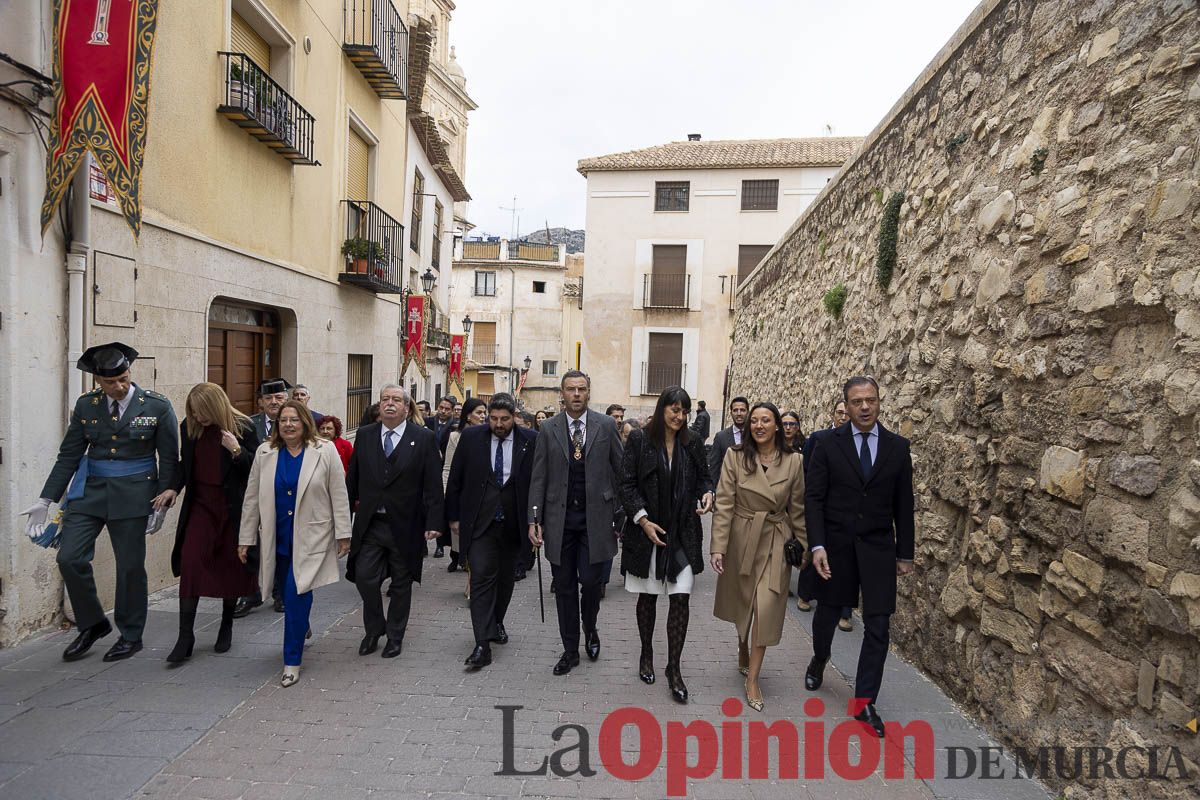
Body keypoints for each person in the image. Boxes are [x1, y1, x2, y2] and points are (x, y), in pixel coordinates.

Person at [21, 342, 179, 662]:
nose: (119, 386)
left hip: (136, 494)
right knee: (69, 557)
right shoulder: (87, 406)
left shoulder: (157, 406)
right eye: (111, 382)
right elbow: (69, 455)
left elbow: (170, 457)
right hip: (89, 492)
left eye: (123, 377)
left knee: (130, 567)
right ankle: (93, 624)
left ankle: (131, 634)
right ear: (97, 381)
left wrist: (165, 498)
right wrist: (46, 498)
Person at [805, 376, 915, 737]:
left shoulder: (898, 448)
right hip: (836, 548)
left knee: (879, 625)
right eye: (857, 402)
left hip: (879, 549)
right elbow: (815, 500)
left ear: (880, 402)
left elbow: (904, 504)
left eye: (871, 400)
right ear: (846, 406)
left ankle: (864, 701)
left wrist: (905, 553)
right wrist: (817, 546)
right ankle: (820, 657)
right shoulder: (825, 443)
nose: (865, 407)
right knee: (828, 614)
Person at [238, 401, 350, 687]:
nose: (288, 425)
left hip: (312, 537)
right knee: (291, 594)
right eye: (283, 420)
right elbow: (251, 498)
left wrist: (344, 533)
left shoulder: (324, 451)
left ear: (305, 423)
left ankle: (292, 661)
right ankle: (302, 627)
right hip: (277, 537)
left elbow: (339, 493)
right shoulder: (266, 453)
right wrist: (246, 538)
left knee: (296, 593)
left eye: (294, 420)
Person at [710, 401, 806, 713]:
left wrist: (802, 546)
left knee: (765, 606)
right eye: (754, 421)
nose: (759, 425)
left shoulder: (794, 462)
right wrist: (718, 547)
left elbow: (798, 509)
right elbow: (724, 503)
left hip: (776, 538)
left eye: (766, 420)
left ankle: (753, 678)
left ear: (778, 425)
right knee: (744, 604)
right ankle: (742, 643)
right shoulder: (735, 457)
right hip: (742, 536)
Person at [619, 387, 713, 703]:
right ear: (662, 409)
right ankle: (647, 652)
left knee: (681, 599)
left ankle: (674, 668)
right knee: (647, 597)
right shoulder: (640, 440)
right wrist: (643, 521)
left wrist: (706, 496)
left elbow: (704, 478)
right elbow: (627, 484)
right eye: (674, 409)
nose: (679, 416)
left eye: (684, 411)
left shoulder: (693, 442)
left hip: (682, 532)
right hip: (647, 533)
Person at [528, 370, 624, 676]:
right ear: (562, 394)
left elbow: (621, 473)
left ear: (589, 392)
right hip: (560, 522)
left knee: (592, 583)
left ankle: (590, 627)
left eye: (582, 389)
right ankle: (570, 649)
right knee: (565, 587)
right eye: (571, 389)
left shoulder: (606, 426)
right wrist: (535, 518)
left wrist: (621, 514)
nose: (577, 394)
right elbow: (538, 477)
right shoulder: (549, 429)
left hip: (596, 520)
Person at [346, 384, 444, 659]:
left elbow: (433, 484)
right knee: (364, 577)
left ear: (406, 407)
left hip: (406, 523)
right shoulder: (365, 435)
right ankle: (375, 627)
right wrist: (343, 518)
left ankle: (395, 635)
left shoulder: (423, 438)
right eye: (384, 399)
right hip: (371, 524)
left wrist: (434, 521)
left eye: (396, 400)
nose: (389, 403)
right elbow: (352, 478)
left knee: (401, 582)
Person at [166, 383, 260, 664]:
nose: (198, 418)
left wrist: (236, 451)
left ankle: (226, 624)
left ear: (216, 407)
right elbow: (186, 464)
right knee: (191, 562)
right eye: (193, 412)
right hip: (200, 506)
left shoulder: (244, 427)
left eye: (202, 412)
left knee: (230, 566)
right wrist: (172, 487)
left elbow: (257, 469)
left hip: (231, 508)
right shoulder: (189, 427)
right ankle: (185, 636)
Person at [446, 394, 537, 669]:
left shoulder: (530, 441)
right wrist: (452, 517)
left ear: (514, 417)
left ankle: (496, 621)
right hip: (479, 523)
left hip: (513, 524)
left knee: (506, 580)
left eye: (504, 419)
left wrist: (537, 519)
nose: (498, 424)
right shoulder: (472, 438)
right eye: (493, 419)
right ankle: (482, 643)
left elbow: (538, 483)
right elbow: (456, 478)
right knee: (482, 577)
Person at [235, 378, 293, 617]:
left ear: (286, 399)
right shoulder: (248, 425)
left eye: (279, 397)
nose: (274, 402)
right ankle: (251, 594)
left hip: (284, 495)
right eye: (268, 398)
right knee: (251, 546)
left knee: (280, 545)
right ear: (260, 402)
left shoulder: (295, 423)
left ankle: (280, 593)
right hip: (253, 493)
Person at [798, 398, 853, 627]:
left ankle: (845, 611)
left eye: (845, 413)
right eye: (839, 412)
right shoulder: (819, 438)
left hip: (847, 511)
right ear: (833, 414)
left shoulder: (857, 442)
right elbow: (808, 470)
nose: (842, 417)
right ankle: (805, 594)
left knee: (848, 562)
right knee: (815, 550)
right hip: (822, 507)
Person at [442, 398, 488, 583]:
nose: (483, 416)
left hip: (484, 498)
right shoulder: (456, 437)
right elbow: (448, 468)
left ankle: (474, 581)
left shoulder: (490, 435)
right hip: (462, 497)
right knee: (464, 542)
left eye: (484, 412)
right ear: (468, 415)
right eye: (479, 412)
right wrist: (446, 495)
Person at [707, 396, 749, 487]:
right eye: (735, 410)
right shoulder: (721, 437)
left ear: (748, 412)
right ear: (731, 413)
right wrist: (712, 490)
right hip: (727, 488)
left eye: (742, 410)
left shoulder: (754, 435)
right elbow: (715, 466)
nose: (739, 413)